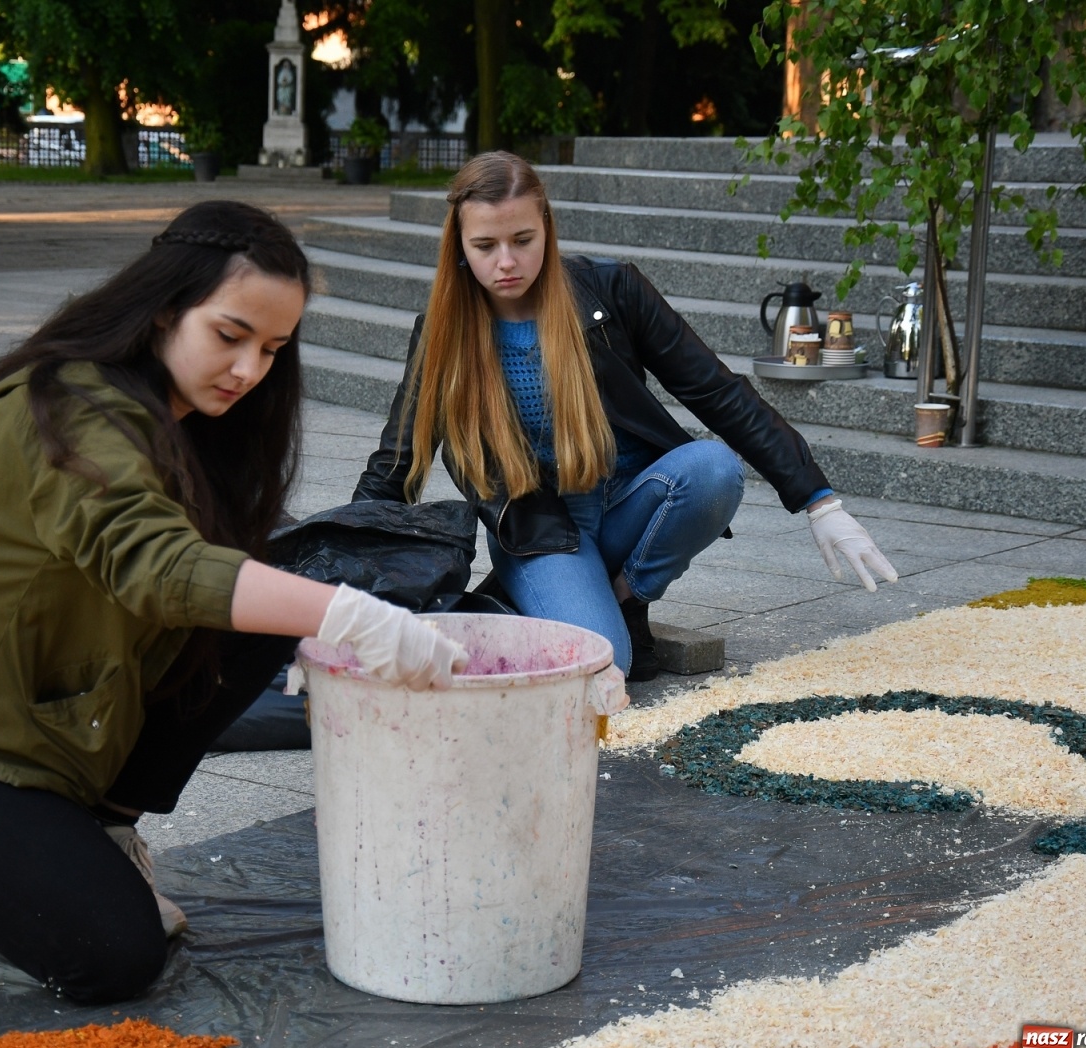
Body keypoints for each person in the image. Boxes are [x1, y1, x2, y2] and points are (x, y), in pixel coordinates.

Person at [0, 200, 467, 1005]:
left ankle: (95, 826)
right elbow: (158, 565)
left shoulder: (182, 414)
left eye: (272, 348)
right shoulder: (75, 410)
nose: (249, 370)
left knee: (259, 618)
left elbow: (191, 575)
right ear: (165, 309)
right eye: (229, 335)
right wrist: (350, 615)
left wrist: (313, 610)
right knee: (112, 956)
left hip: (42, 706)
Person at [353, 152, 897, 680]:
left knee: (713, 468)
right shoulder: (444, 330)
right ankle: (523, 597)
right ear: (460, 247)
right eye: (485, 245)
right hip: (536, 527)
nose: (506, 262)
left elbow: (716, 391)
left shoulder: (612, 290)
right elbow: (399, 456)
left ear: (547, 227)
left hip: (628, 500)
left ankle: (624, 596)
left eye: (523, 240)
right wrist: (342, 573)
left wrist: (819, 501)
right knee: (607, 666)